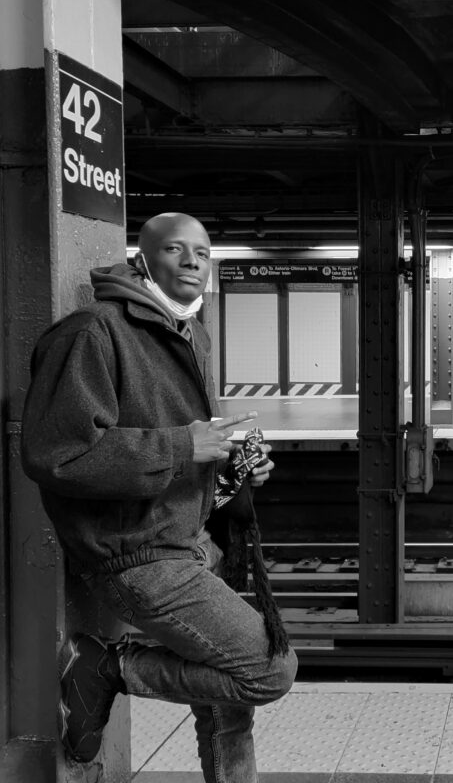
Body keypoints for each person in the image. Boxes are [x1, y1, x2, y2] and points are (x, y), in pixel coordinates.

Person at [21, 212, 297, 783]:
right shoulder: (93, 333)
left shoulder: (188, 332)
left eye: (202, 251)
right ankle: (106, 667)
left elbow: (192, 451)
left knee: (229, 712)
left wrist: (232, 469)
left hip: (190, 542)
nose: (194, 260)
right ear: (143, 260)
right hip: (139, 556)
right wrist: (183, 445)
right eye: (176, 249)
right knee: (269, 671)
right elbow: (57, 455)